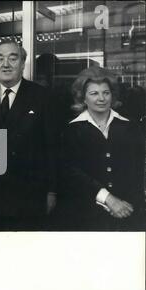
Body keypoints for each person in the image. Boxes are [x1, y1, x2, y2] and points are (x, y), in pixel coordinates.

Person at [0, 40, 57, 231]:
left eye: (13, 58)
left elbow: (52, 148)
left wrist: (52, 190)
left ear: (23, 63)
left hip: (27, 197)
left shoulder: (42, 97)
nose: (5, 64)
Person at [57, 66, 145, 231]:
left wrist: (129, 205)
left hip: (128, 212)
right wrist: (108, 199)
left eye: (106, 93)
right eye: (94, 93)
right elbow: (70, 173)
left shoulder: (130, 127)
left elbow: (138, 170)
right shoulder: (71, 130)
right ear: (83, 98)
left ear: (113, 96)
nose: (101, 98)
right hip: (85, 214)